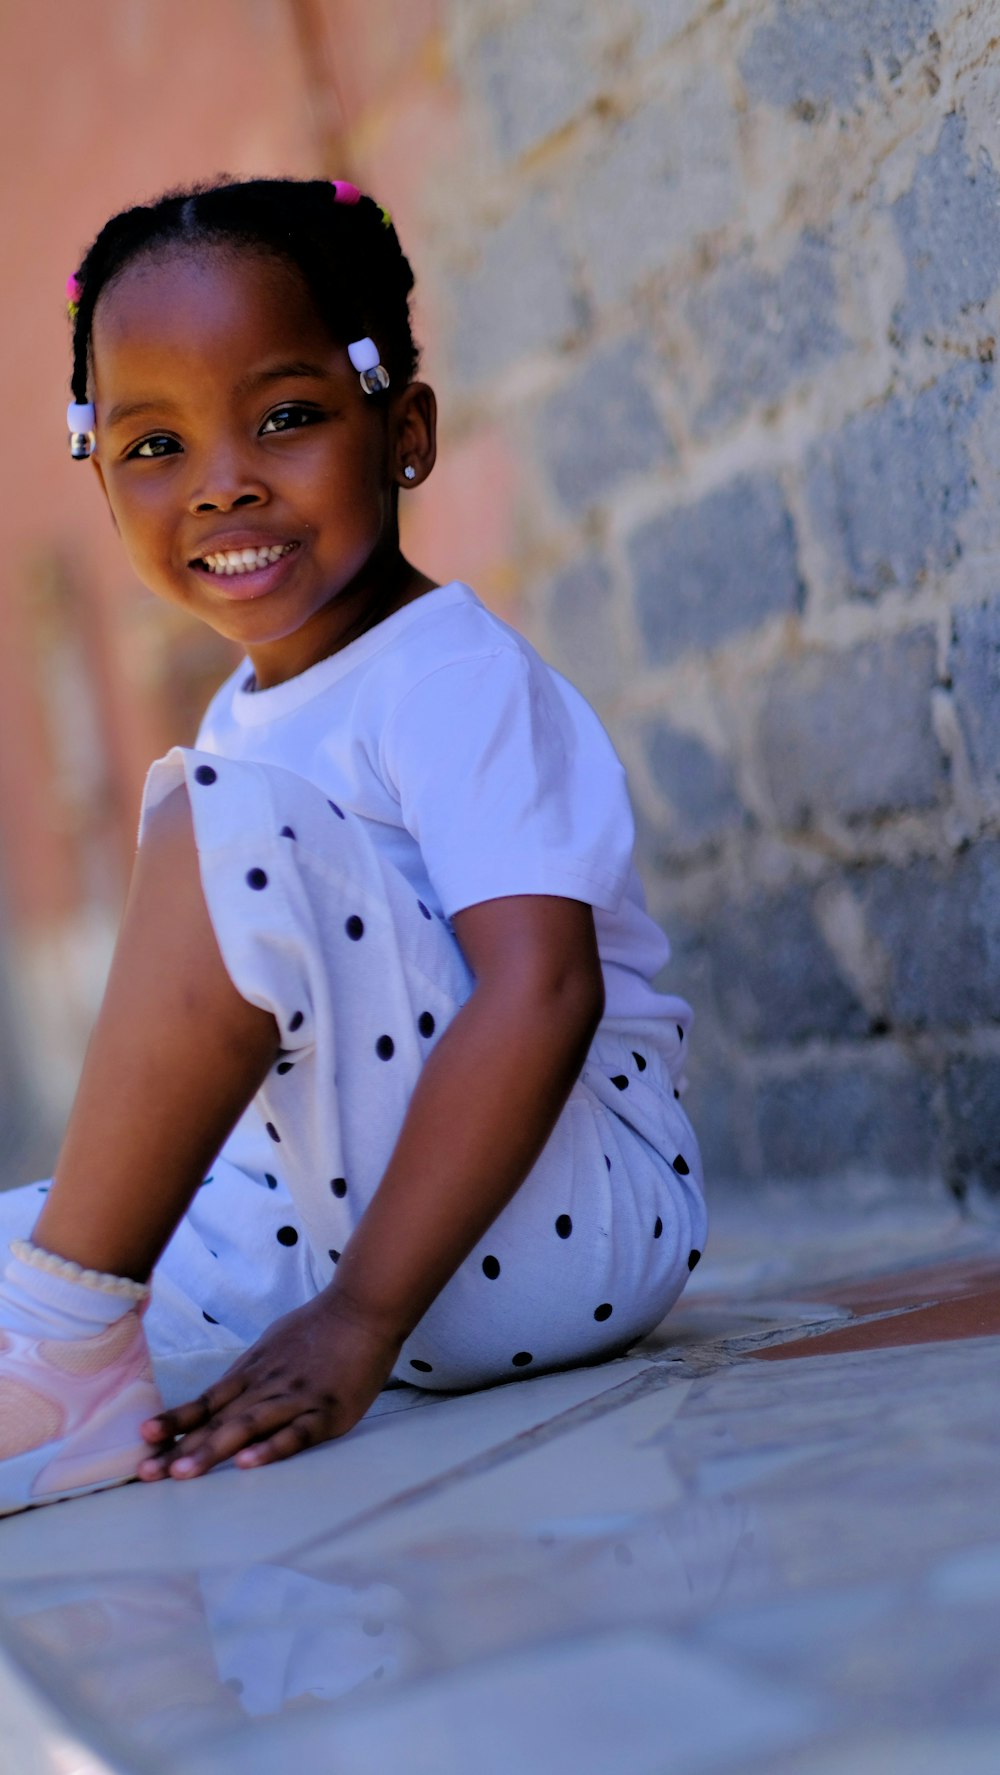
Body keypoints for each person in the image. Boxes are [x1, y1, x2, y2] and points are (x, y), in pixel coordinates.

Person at [0, 178, 706, 1516]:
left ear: (406, 431)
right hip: (346, 1234)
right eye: (154, 447)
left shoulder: (445, 675)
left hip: (564, 1228)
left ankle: (69, 1371)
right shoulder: (243, 718)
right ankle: (63, 1336)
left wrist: (362, 1320)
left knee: (213, 817)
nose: (222, 484)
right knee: (23, 1244)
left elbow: (547, 990)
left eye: (286, 418)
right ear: (96, 481)